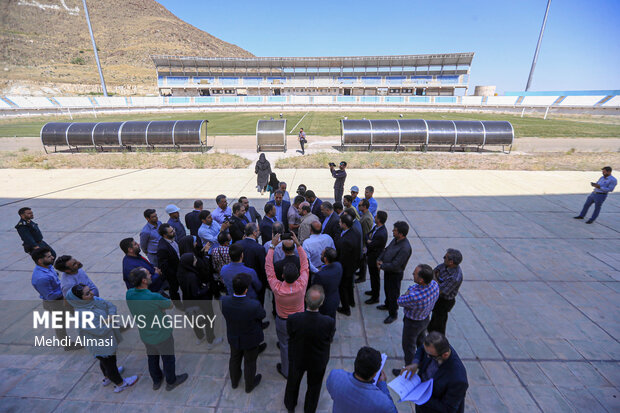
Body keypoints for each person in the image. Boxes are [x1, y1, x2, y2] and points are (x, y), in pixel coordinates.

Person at [66, 284, 139, 392]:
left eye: (90, 290)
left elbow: (111, 306)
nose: (92, 293)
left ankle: (107, 377)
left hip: (106, 339)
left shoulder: (94, 300)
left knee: (105, 361)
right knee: (110, 363)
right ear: (79, 300)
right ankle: (120, 383)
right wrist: (110, 319)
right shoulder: (82, 314)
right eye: (87, 294)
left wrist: (110, 317)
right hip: (100, 344)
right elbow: (100, 330)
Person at [126, 267, 188, 391]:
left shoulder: (129, 294)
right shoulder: (154, 296)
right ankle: (171, 381)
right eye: (149, 274)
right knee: (168, 358)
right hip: (162, 334)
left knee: (152, 358)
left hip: (145, 334)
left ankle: (156, 380)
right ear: (144, 280)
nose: (152, 275)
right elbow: (170, 305)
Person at [284, 285, 336, 413]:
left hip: (298, 357)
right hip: (317, 360)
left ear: (305, 299)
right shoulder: (328, 322)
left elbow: (290, 334)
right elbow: (329, 338)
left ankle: (290, 405)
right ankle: (309, 409)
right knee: (314, 387)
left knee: (293, 382)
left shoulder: (293, 319)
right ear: (322, 303)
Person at [266, 233, 310, 380]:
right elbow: (305, 264)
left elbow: (269, 268)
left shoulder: (277, 288)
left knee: (284, 346)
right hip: (300, 320)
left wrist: (272, 246)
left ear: (283, 276)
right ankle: (300, 366)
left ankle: (286, 371)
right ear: (298, 275)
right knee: (299, 344)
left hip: (283, 320)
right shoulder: (302, 284)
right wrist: (298, 244)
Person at [400, 332, 469, 413]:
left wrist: (421, 397)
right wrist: (416, 363)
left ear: (445, 355)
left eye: (430, 355)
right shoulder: (433, 349)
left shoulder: (458, 379)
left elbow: (448, 409)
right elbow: (422, 349)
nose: (427, 356)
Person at [221, 273, 268, 393]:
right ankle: (249, 385)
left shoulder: (224, 301)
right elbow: (262, 315)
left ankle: (234, 382)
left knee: (234, 359)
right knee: (250, 362)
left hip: (234, 336)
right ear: (246, 290)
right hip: (250, 339)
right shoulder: (253, 305)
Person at [30, 248, 82, 351]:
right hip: (56, 303)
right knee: (61, 324)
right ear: (40, 260)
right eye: (49, 256)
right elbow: (50, 296)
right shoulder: (41, 278)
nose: (52, 257)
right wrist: (67, 290)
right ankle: (67, 345)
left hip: (63, 298)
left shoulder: (48, 267)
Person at [393, 264, 439, 376]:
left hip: (412, 323)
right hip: (425, 318)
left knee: (409, 347)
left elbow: (399, 301)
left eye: (415, 274)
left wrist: (408, 291)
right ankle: (423, 361)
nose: (412, 274)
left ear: (421, 280)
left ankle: (409, 369)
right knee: (421, 341)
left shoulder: (414, 296)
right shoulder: (434, 285)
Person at [326, 346, 397, 413]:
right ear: (375, 374)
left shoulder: (335, 376)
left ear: (355, 363)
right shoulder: (383, 402)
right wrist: (382, 385)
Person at [176, 253, 217, 345]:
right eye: (194, 259)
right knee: (209, 319)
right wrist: (207, 287)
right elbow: (196, 293)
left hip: (187, 302)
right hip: (200, 303)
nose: (196, 261)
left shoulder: (180, 273)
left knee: (194, 321)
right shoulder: (192, 276)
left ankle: (200, 337)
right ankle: (211, 340)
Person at [377, 221, 412, 324]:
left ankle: (393, 314)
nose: (393, 231)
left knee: (393, 294)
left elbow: (396, 264)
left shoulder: (405, 248)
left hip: (395, 274)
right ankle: (387, 304)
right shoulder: (395, 240)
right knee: (387, 289)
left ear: (401, 234)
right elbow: (386, 250)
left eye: (395, 230)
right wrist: (379, 259)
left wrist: (382, 266)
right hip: (388, 271)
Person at [428, 249, 464, 335]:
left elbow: (440, 291)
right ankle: (430, 329)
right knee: (435, 315)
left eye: (445, 257)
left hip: (444, 301)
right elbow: (434, 271)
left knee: (440, 321)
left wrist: (435, 279)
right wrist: (437, 280)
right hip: (438, 297)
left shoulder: (455, 277)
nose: (443, 258)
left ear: (451, 262)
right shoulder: (445, 265)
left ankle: (438, 338)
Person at [335, 214, 361, 316]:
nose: (339, 223)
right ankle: (351, 301)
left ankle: (346, 308)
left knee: (343, 287)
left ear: (345, 224)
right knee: (350, 285)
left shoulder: (346, 241)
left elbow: (342, 257)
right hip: (353, 265)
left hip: (346, 268)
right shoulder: (355, 232)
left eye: (340, 222)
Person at [237, 222, 268, 306]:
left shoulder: (237, 244)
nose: (259, 232)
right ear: (254, 233)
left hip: (240, 281)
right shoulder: (259, 248)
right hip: (256, 283)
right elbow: (263, 268)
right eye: (258, 230)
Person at [364, 211, 389, 304]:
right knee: (372, 276)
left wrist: (368, 241)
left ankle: (375, 297)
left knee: (375, 277)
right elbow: (367, 234)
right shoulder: (376, 227)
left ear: (379, 219)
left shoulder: (381, 234)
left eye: (376, 216)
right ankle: (373, 291)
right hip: (371, 256)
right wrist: (368, 240)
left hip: (375, 258)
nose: (374, 217)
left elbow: (370, 245)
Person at [311, 247, 342, 318]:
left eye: (321, 255)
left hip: (325, 304)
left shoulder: (320, 275)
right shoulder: (338, 265)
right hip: (335, 298)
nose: (320, 256)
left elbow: (315, 289)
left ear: (325, 259)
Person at [157, 223, 181, 303]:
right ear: (165, 235)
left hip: (179, 268)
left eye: (173, 230)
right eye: (171, 232)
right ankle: (177, 303)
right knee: (174, 289)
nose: (174, 232)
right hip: (173, 273)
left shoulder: (173, 239)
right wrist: (174, 274)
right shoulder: (162, 248)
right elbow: (164, 266)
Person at [355, 199, 375, 284]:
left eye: (360, 205)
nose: (358, 207)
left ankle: (362, 277)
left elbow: (366, 233)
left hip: (363, 244)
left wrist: (363, 245)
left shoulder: (366, 218)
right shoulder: (364, 215)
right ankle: (360, 272)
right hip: (362, 242)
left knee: (363, 261)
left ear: (365, 207)